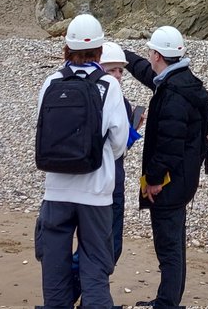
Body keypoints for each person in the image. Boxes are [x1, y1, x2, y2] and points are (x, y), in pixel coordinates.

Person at [35, 14, 129, 309]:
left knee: (54, 268)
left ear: (67, 47)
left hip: (56, 189)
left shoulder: (52, 81)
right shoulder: (107, 85)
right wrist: (97, 160)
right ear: (100, 50)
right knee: (95, 266)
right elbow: (118, 140)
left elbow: (41, 129)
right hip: (96, 192)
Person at [124, 26, 208, 309]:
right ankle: (168, 299)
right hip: (184, 178)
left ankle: (167, 303)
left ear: (158, 55)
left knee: (169, 246)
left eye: (151, 51)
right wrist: (122, 57)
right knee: (173, 242)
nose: (148, 55)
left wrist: (153, 180)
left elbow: (168, 146)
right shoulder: (180, 81)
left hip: (172, 182)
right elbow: (147, 73)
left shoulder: (173, 95)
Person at [69, 41, 143, 303]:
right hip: (108, 186)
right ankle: (81, 297)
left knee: (98, 247)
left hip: (82, 184)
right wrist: (133, 130)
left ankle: (71, 296)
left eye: (121, 71)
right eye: (113, 70)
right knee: (106, 249)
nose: (119, 76)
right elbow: (117, 148)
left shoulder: (77, 92)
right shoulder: (115, 99)